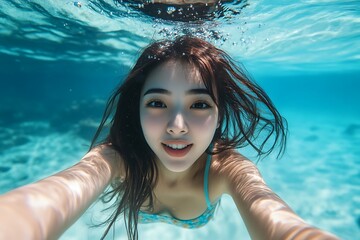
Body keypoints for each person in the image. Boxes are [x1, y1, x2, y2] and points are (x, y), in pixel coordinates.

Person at [0, 36, 339, 240]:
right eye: (158, 103)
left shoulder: (226, 170)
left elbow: (280, 223)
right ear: (137, 109)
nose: (177, 126)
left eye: (200, 104)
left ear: (220, 113)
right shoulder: (116, 158)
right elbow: (49, 197)